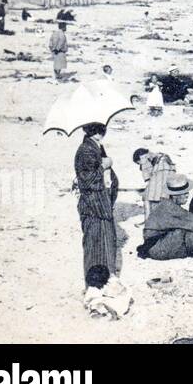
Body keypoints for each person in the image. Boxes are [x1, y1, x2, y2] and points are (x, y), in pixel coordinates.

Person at [139, 174, 193, 264]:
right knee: (189, 232)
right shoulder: (168, 207)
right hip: (156, 247)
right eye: (184, 193)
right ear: (175, 195)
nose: (187, 195)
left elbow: (192, 217)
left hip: (160, 243)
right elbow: (191, 222)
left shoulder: (170, 205)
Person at [74, 121, 120, 289]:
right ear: (100, 131)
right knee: (95, 247)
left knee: (103, 245)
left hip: (100, 205)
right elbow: (87, 180)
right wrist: (104, 165)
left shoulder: (93, 146)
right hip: (94, 206)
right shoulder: (87, 149)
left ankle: (103, 284)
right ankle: (94, 287)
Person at [132, 148, 175, 221]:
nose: (141, 163)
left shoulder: (149, 163)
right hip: (167, 177)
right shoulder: (153, 157)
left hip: (164, 179)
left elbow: (151, 180)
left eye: (139, 161)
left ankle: (149, 221)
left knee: (149, 197)